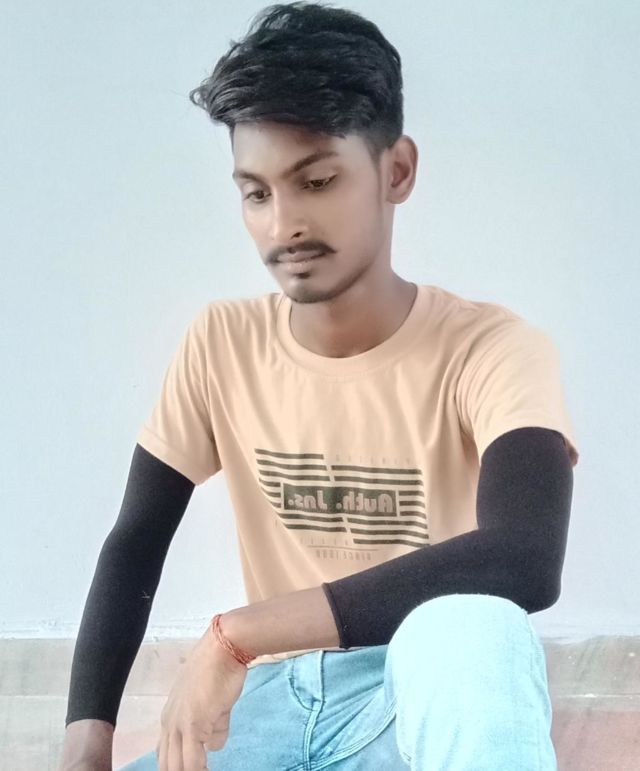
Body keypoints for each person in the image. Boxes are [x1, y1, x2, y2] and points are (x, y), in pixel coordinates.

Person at [58, 2, 580, 770]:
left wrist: (240, 633)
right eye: (257, 193)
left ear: (396, 170)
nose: (284, 226)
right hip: (265, 708)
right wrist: (84, 745)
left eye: (317, 180)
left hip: (408, 694)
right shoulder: (220, 342)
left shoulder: (492, 348)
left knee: (477, 624)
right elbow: (136, 540)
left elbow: (524, 556)